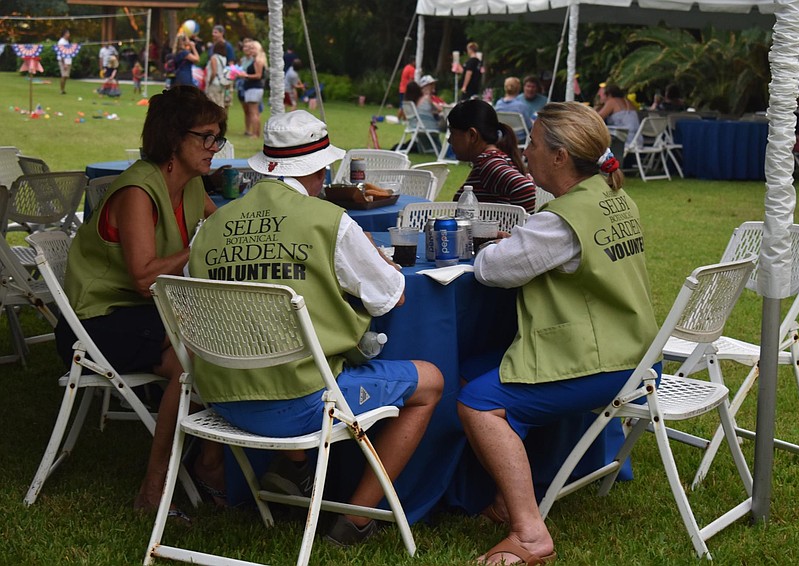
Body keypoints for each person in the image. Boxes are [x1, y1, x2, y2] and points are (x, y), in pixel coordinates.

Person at [187, 110, 443, 545]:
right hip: (300, 404)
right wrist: (374, 255)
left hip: (221, 401)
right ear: (320, 169)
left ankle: (295, 471)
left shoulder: (210, 226)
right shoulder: (329, 220)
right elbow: (392, 295)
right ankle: (356, 518)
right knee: (431, 381)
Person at [458, 101, 659, 565]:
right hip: (637, 352)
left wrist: (500, 246)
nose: (524, 151)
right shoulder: (612, 196)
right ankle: (505, 495)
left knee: (478, 404)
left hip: (604, 363)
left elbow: (491, 270)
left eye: (532, 143)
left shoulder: (560, 220)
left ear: (560, 156)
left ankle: (530, 533)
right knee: (470, 371)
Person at [56, 85, 225, 517]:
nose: (215, 147)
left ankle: (203, 465)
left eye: (217, 136)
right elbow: (145, 278)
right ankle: (159, 485)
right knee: (201, 352)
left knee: (209, 352)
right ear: (173, 138)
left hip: (147, 314)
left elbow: (225, 224)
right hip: (96, 322)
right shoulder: (137, 190)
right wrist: (200, 245)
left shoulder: (191, 184)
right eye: (206, 137)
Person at [447, 99, 537, 213]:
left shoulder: (489, 164)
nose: (449, 140)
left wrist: (520, 223)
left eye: (453, 133)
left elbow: (524, 188)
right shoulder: (493, 159)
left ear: (472, 135)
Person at [494, 76, 535, 140]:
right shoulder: (521, 106)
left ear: (505, 88)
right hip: (519, 138)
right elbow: (529, 126)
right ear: (518, 89)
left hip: (503, 137)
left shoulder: (498, 104)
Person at [241, 39, 266, 139]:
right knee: (254, 112)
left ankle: (255, 134)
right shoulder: (257, 60)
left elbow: (258, 75)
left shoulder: (258, 61)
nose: (251, 50)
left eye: (253, 48)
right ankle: (256, 133)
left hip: (254, 88)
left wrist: (245, 75)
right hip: (253, 88)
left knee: (254, 112)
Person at [205, 41, 229, 108]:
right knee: (220, 103)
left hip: (214, 83)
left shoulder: (214, 58)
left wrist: (209, 82)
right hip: (221, 83)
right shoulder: (224, 58)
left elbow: (214, 72)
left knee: (213, 104)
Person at [57, 28, 72, 94]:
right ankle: (61, 90)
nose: (69, 34)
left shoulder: (67, 41)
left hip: (68, 60)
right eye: (68, 33)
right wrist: (64, 63)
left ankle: (63, 89)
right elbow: (61, 53)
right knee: (63, 75)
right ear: (64, 34)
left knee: (66, 76)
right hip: (63, 61)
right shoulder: (61, 42)